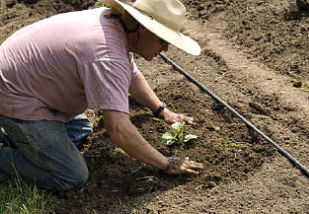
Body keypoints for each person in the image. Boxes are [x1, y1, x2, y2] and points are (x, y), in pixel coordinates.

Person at [0, 0, 203, 191]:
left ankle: (20, 138)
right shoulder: (106, 54)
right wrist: (165, 163)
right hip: (14, 95)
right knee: (71, 175)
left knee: (80, 133)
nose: (166, 48)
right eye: (163, 40)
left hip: (28, 83)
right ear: (144, 28)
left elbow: (131, 74)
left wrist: (161, 110)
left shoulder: (112, 25)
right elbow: (119, 130)